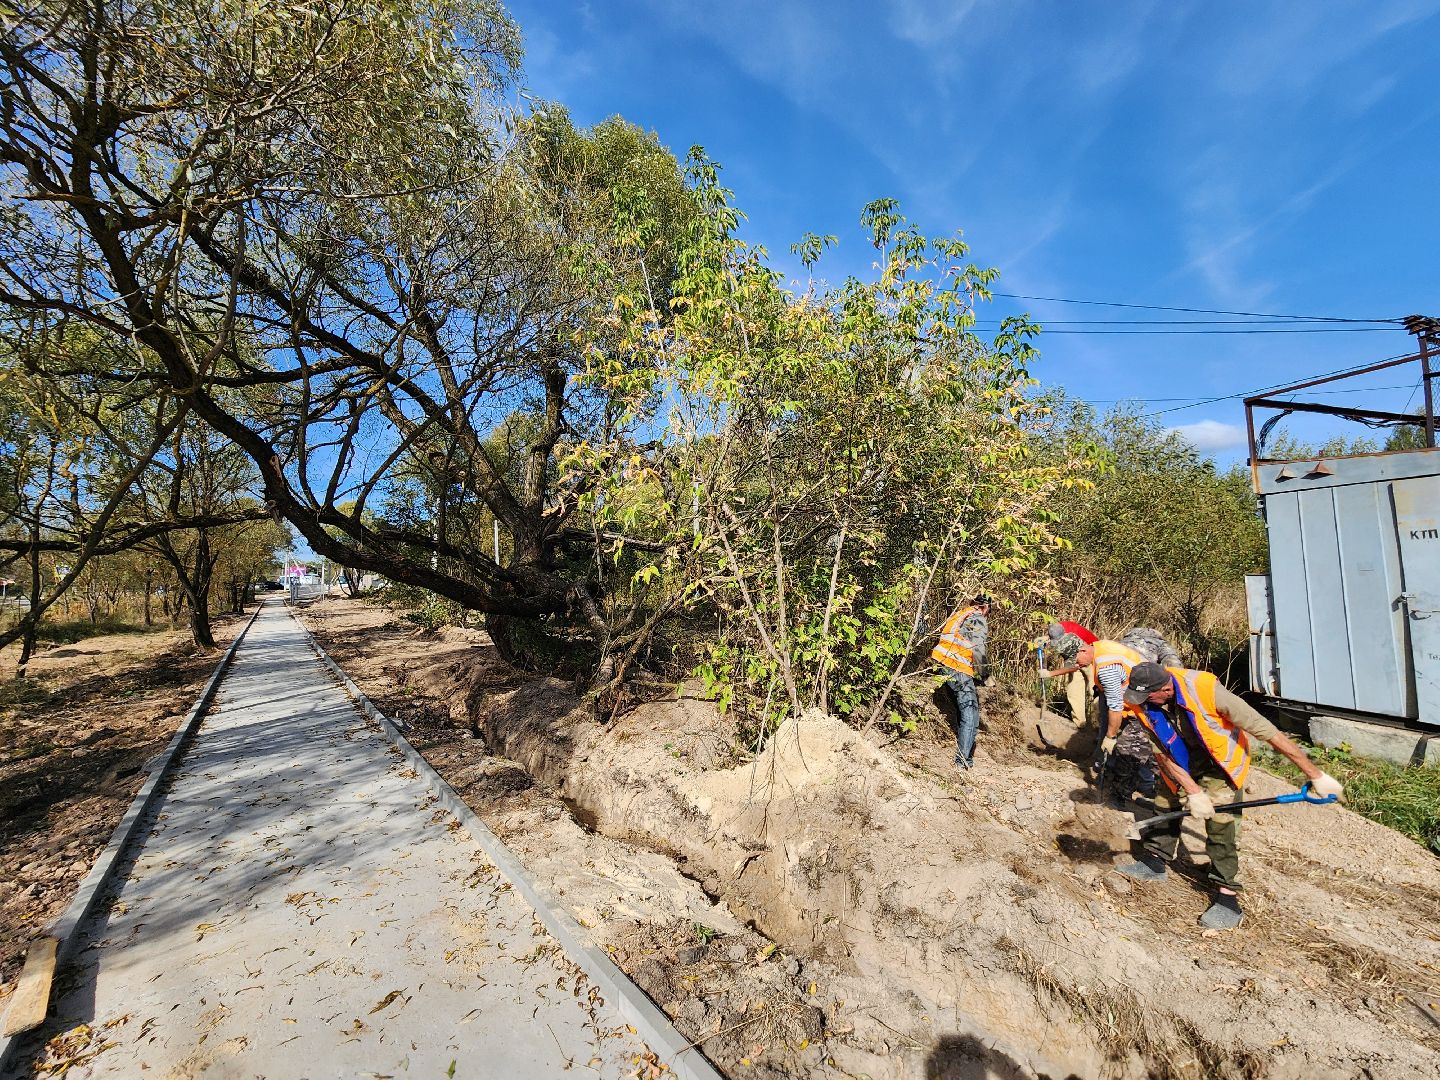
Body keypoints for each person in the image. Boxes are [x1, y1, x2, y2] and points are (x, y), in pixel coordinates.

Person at [1115, 662, 1345, 929]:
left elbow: (1266, 731)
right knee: (1165, 802)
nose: (1141, 702)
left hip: (1220, 761)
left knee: (1221, 826)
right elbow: (1161, 752)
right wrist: (1192, 790)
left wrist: (1315, 774)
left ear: (1165, 689)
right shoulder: (1143, 702)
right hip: (1179, 756)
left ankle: (1227, 897)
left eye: (1147, 697)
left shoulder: (1205, 690)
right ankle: (1155, 860)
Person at [932, 595, 991, 770]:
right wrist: (986, 676)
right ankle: (962, 762)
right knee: (970, 713)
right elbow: (978, 649)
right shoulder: (978, 618)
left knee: (962, 711)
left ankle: (966, 758)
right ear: (986, 607)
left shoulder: (960, 614)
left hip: (943, 665)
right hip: (958, 668)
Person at [1039, 620, 1097, 727]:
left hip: (1092, 658)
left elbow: (1073, 667)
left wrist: (1050, 674)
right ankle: (1080, 724)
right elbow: (1053, 636)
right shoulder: (1058, 628)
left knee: (1095, 691)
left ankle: (1099, 727)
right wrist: (1045, 639)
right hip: (1076, 659)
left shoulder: (1072, 638)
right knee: (1074, 690)